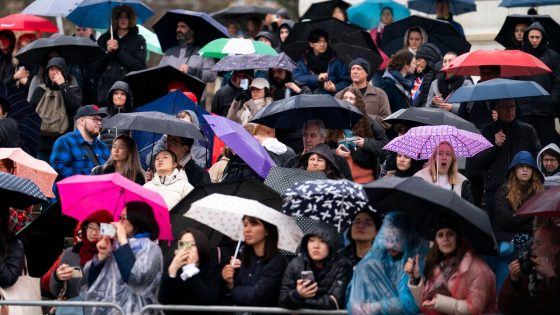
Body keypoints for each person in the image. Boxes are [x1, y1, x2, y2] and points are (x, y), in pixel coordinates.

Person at [405, 214, 497, 315]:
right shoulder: (436, 265)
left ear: (457, 237)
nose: (445, 238)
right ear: (436, 241)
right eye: (440, 235)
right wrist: (416, 277)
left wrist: (440, 303)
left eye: (450, 234)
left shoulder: (478, 269)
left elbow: (475, 309)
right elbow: (424, 304)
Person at [83, 201, 163, 314]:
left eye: (124, 218)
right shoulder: (116, 246)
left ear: (138, 219)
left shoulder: (152, 249)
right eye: (119, 217)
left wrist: (123, 242)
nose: (119, 222)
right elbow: (90, 281)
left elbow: (136, 277)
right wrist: (101, 257)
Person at [346, 211, 427, 315]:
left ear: (408, 237)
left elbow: (412, 303)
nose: (390, 245)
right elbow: (355, 301)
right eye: (386, 239)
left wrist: (377, 307)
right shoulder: (371, 263)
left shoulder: (415, 263)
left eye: (396, 239)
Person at [474, 98, 541, 218]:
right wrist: (495, 146)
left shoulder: (528, 130)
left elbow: (537, 158)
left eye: (512, 106)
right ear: (498, 109)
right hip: (494, 189)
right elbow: (478, 162)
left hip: (523, 189)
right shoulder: (487, 130)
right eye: (505, 107)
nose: (509, 110)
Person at [491, 151, 544, 293]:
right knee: (504, 289)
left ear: (533, 170)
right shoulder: (503, 191)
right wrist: (530, 215)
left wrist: (517, 216)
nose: (525, 169)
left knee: (530, 290)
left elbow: (541, 220)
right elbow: (504, 220)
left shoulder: (540, 193)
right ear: (515, 170)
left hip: (533, 248)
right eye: (521, 166)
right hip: (509, 248)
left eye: (528, 166)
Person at [279, 222, 353, 310]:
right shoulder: (296, 264)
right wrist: (297, 294)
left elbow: (334, 303)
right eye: (311, 240)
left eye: (322, 241)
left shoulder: (342, 265)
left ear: (331, 243)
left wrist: (299, 300)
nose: (316, 246)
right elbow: (282, 300)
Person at [221, 216, 288, 307]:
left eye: (253, 224)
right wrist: (230, 281)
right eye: (245, 225)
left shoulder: (277, 261)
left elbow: (256, 297)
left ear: (267, 230)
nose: (247, 230)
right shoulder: (245, 258)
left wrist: (233, 289)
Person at [49, 210, 113, 300]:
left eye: (99, 228)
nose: (94, 233)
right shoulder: (71, 254)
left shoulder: (113, 256)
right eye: (90, 227)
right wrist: (57, 277)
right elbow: (55, 291)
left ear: (107, 231)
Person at [498, 223, 560, 314]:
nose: (533, 247)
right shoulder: (528, 267)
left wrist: (551, 278)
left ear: (554, 249)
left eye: (538, 243)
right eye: (533, 242)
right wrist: (514, 281)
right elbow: (504, 309)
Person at [29, 57, 82, 161]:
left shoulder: (73, 90)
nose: (54, 72)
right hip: (42, 143)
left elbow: (74, 105)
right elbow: (30, 114)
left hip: (63, 143)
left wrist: (63, 85)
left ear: (64, 72)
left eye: (58, 69)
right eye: (51, 69)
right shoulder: (39, 90)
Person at [159, 229, 222, 314]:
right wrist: (172, 271)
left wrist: (190, 268)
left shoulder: (212, 267)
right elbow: (164, 299)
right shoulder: (173, 264)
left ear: (201, 246)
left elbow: (207, 299)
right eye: (183, 244)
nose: (187, 248)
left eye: (192, 245)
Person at [333, 87, 388, 183]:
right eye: (345, 98)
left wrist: (366, 143)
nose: (347, 101)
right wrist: (335, 152)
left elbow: (386, 148)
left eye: (351, 98)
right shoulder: (333, 123)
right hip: (341, 180)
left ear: (358, 102)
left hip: (367, 180)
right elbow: (324, 148)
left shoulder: (370, 123)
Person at [518, 22, 560, 147]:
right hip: (524, 109)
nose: (534, 40)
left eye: (537, 37)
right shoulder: (520, 55)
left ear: (543, 38)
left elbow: (558, 81)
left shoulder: (553, 56)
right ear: (527, 38)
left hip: (545, 110)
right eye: (532, 37)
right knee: (526, 144)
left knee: (546, 144)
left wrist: (552, 101)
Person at [94, 5, 146, 105]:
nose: (123, 19)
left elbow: (139, 66)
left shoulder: (138, 40)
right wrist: (108, 53)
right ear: (115, 19)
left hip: (128, 92)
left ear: (131, 19)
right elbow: (95, 68)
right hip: (106, 93)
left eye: (126, 16)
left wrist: (118, 51)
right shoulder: (104, 38)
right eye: (120, 16)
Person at [50, 105, 110, 180]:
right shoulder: (64, 142)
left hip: (100, 190)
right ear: (82, 121)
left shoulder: (103, 146)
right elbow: (58, 170)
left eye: (100, 120)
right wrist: (90, 174)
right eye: (95, 119)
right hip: (74, 190)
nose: (99, 123)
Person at [283, 119, 353, 180]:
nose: (307, 139)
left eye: (313, 135)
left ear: (322, 138)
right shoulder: (291, 162)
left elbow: (348, 187)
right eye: (305, 135)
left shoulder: (339, 161)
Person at [335, 58, 391, 129]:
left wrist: (365, 117)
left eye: (359, 69)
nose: (355, 71)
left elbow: (387, 122)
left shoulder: (379, 94)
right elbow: (335, 120)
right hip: (348, 136)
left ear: (366, 73)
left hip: (372, 137)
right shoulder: (340, 95)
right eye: (352, 69)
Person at [292, 29, 350, 95]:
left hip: (330, 99)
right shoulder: (302, 62)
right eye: (319, 42)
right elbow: (296, 78)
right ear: (311, 44)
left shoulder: (336, 62)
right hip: (308, 99)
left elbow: (346, 80)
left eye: (324, 41)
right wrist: (316, 78)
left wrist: (335, 87)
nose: (322, 44)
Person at [159, 18, 216, 84]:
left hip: (192, 93)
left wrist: (192, 71)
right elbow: (159, 73)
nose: (178, 30)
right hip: (169, 93)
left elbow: (212, 76)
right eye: (177, 27)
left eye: (183, 27)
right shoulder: (169, 51)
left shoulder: (204, 52)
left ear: (192, 30)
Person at [381, 49, 416, 115]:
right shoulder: (389, 83)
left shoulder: (408, 82)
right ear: (406, 65)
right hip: (395, 123)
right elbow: (384, 108)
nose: (415, 66)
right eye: (414, 63)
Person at [99, 81, 133, 146]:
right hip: (104, 153)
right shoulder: (101, 113)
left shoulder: (131, 116)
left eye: (123, 94)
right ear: (111, 95)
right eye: (116, 93)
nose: (119, 96)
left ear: (127, 97)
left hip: (123, 154)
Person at [412, 43, 441, 108]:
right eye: (417, 60)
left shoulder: (438, 73)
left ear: (428, 59)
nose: (417, 63)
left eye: (419, 60)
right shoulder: (422, 75)